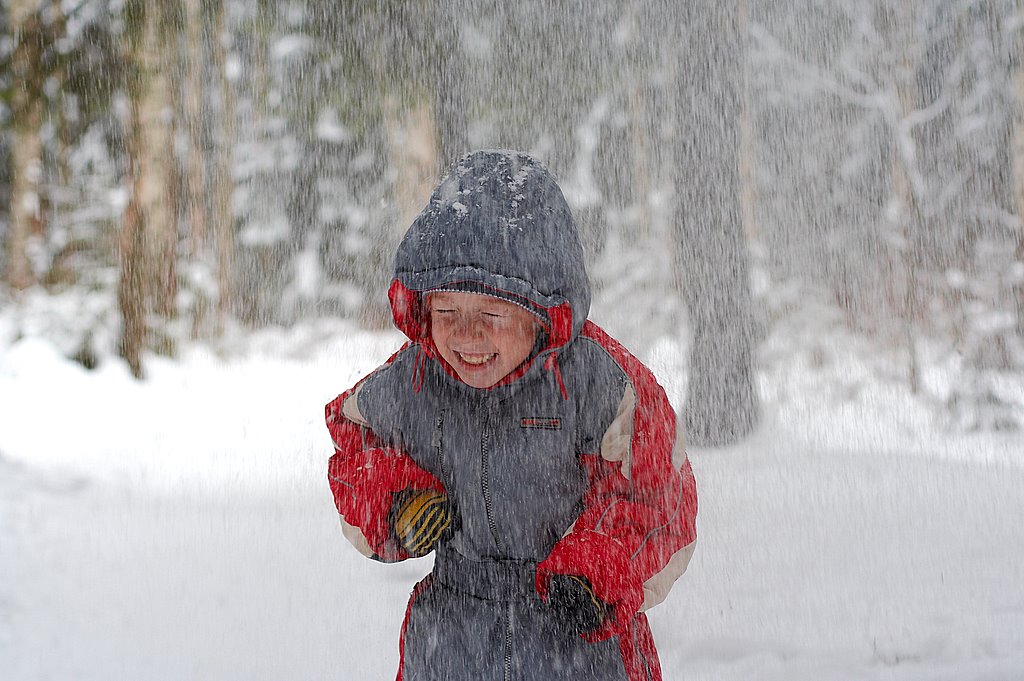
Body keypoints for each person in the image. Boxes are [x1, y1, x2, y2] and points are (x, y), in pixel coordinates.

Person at [325, 149, 698, 681]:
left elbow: (656, 494)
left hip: (575, 638)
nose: (466, 335)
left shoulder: (596, 383)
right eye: (447, 312)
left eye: (492, 315)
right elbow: (358, 441)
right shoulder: (416, 379)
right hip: (454, 636)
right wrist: (396, 501)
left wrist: (596, 572)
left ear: (542, 312)